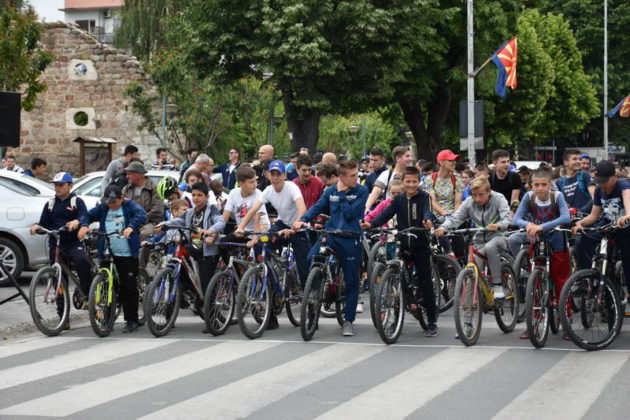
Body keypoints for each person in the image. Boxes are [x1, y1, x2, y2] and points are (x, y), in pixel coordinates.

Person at [294, 160, 367, 336]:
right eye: (352, 176)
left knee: (351, 281)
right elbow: (318, 207)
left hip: (351, 239)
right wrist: (304, 219)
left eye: (356, 174)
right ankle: (315, 291)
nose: (356, 178)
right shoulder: (330, 191)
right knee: (311, 258)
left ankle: (348, 320)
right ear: (341, 176)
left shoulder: (362, 191)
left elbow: (350, 214)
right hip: (331, 236)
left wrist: (342, 195)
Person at [362, 166, 437, 337]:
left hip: (421, 246)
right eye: (408, 181)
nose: (411, 185)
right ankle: (396, 313)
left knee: (426, 283)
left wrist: (427, 220)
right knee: (396, 275)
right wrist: (371, 224)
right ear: (402, 182)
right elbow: (386, 214)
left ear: (419, 182)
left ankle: (432, 321)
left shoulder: (424, 197)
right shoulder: (399, 200)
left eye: (414, 181)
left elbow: (428, 211)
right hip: (403, 244)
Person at [236, 160, 309, 329]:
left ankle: (310, 305)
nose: (275, 178)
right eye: (272, 174)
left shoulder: (291, 187)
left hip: (298, 226)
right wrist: (240, 227)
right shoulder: (268, 190)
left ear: (284, 175)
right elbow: (253, 210)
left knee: (305, 266)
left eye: (278, 174)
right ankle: (269, 273)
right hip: (282, 224)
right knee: (261, 244)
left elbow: (302, 208)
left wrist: (296, 226)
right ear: (268, 175)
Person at [510, 168, 571, 339]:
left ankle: (565, 321)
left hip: (557, 242)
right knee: (535, 282)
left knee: (561, 282)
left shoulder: (557, 196)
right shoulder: (528, 197)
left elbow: (566, 218)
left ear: (550, 184)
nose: (540, 188)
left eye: (544, 184)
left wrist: (542, 226)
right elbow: (516, 219)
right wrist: (528, 225)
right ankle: (534, 321)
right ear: (531, 186)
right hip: (536, 242)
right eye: (536, 185)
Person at [78, 185, 147, 333]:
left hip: (126, 253)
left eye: (114, 202)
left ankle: (131, 320)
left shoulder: (129, 205)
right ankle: (107, 317)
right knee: (105, 285)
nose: (111, 205)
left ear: (121, 198)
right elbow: (87, 215)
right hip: (108, 251)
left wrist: (131, 226)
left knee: (128, 287)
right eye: (109, 202)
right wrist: (84, 225)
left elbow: (142, 215)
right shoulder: (103, 208)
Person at [30, 172, 92, 327]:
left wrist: (77, 222)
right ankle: (63, 318)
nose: (57, 188)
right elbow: (43, 221)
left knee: (83, 261)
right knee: (58, 280)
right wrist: (37, 226)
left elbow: (84, 216)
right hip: (55, 243)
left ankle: (88, 295)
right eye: (55, 185)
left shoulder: (77, 201)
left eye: (61, 185)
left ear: (70, 185)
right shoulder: (51, 204)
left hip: (72, 242)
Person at [573, 160, 630, 295]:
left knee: (628, 261)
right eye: (600, 181)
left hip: (624, 227)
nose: (602, 184)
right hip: (607, 224)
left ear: (614, 177)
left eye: (605, 181)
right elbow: (593, 216)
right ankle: (587, 279)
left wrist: (627, 215)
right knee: (582, 240)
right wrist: (580, 224)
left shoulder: (623, 185)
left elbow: (627, 199)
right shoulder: (599, 190)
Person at [169, 182, 225, 298]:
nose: (196, 198)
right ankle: (188, 291)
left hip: (206, 251)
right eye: (193, 195)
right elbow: (178, 221)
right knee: (180, 263)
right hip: (193, 249)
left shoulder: (212, 209)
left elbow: (221, 222)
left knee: (206, 287)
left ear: (207, 197)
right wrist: (163, 225)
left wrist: (210, 231)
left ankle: (211, 310)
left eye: (199, 195)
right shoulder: (190, 212)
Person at [423, 149, 464, 256]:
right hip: (436, 215)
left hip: (453, 213)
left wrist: (455, 216)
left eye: (455, 160)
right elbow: (432, 202)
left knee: (459, 235)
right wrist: (444, 213)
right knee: (438, 229)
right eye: (451, 160)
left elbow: (457, 203)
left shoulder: (457, 179)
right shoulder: (430, 179)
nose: (454, 163)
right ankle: (448, 253)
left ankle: (460, 259)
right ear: (441, 162)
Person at [222, 165, 268, 251]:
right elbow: (225, 217)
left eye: (255, 181)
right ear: (241, 184)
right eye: (251, 182)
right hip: (242, 231)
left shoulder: (258, 194)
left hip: (260, 230)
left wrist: (254, 239)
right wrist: (214, 232)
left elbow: (258, 220)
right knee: (223, 244)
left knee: (257, 252)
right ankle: (235, 265)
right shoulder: (233, 193)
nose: (255, 184)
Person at [122, 161, 164, 242]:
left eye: (129, 174)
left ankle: (141, 254)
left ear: (138, 174)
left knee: (145, 233)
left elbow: (157, 210)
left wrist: (139, 220)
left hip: (151, 222)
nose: (127, 176)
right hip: (132, 222)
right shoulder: (126, 189)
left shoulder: (154, 188)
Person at [364, 146, 412, 212]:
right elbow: (375, 193)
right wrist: (366, 208)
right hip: (390, 216)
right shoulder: (386, 174)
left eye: (410, 156)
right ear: (398, 158)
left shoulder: (412, 175)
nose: (410, 159)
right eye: (407, 156)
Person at [556, 149, 594, 214]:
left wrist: (581, 211)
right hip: (569, 220)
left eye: (579, 159)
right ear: (566, 162)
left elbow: (595, 197)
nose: (578, 161)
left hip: (585, 218)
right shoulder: (559, 182)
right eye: (574, 159)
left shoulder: (584, 175)